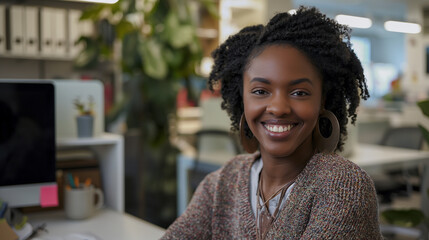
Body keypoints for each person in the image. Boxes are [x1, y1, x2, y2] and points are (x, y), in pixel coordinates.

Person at [162, 6, 383, 239]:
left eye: (299, 92)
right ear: (242, 98)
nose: (278, 107)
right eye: (260, 91)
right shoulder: (222, 183)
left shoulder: (342, 186)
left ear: (322, 100)